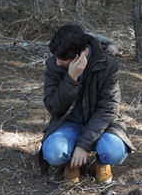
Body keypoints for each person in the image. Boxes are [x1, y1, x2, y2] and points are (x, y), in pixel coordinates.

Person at [38, 24, 135, 183]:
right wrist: (70, 79)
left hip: (102, 124)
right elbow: (54, 108)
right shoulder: (53, 65)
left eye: (63, 59)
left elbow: (108, 109)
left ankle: (102, 162)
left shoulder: (108, 65)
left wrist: (83, 145)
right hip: (67, 122)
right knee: (54, 153)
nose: (57, 62)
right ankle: (70, 161)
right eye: (56, 57)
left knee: (115, 151)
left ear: (80, 54)